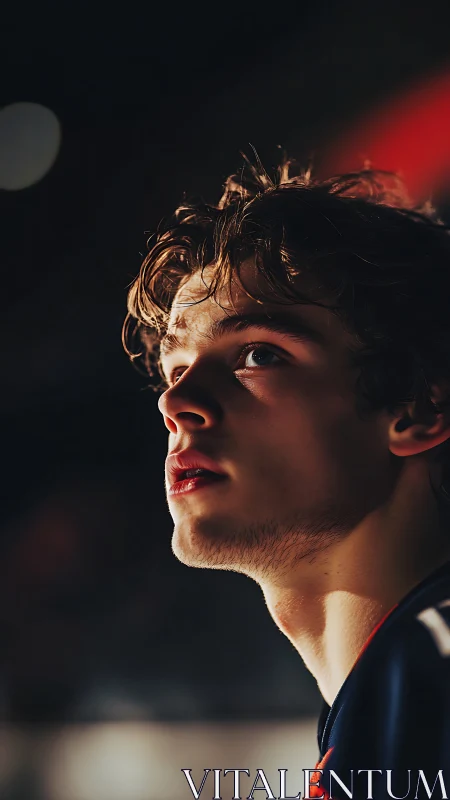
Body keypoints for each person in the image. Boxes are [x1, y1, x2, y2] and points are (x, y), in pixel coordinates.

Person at [124, 153, 450, 798]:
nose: (175, 402)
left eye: (258, 354)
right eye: (176, 367)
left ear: (417, 408)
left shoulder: (430, 678)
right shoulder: (393, 700)